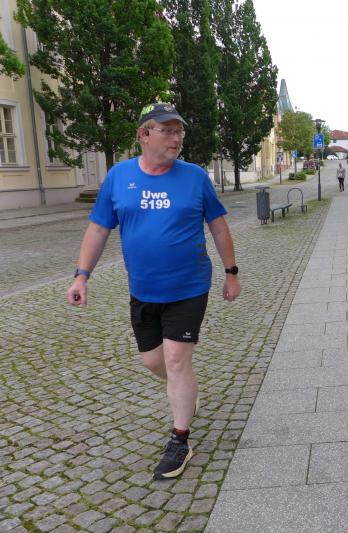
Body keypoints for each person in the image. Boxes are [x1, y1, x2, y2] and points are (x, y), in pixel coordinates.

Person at [66, 103, 241, 480]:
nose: (177, 139)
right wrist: (82, 276)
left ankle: (180, 439)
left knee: (176, 360)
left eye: (180, 132)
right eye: (168, 131)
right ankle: (186, 390)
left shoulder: (194, 177)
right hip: (143, 290)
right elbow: (98, 229)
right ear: (144, 134)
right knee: (153, 362)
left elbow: (219, 226)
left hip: (189, 286)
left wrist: (231, 272)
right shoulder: (119, 177)